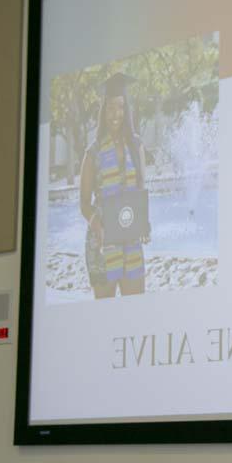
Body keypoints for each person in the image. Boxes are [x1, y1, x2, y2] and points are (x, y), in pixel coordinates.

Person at [79, 72, 150, 299]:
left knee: (135, 309)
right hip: (102, 243)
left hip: (131, 240)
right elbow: (83, 204)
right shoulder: (93, 153)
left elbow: (140, 192)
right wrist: (97, 226)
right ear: (103, 111)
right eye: (110, 107)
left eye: (120, 107)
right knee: (105, 317)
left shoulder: (136, 145)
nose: (116, 114)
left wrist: (145, 223)